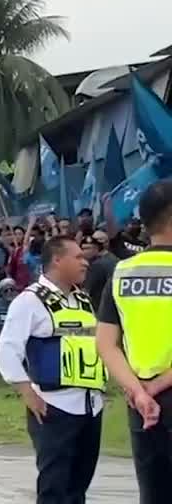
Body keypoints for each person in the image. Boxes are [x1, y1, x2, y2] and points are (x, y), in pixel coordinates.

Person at [0, 236, 106, 504]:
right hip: (54, 405)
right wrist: (26, 391)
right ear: (57, 260)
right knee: (54, 487)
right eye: (78, 257)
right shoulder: (29, 301)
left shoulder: (83, 300)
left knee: (78, 487)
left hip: (90, 405)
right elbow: (7, 350)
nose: (85, 262)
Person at [96, 180, 172, 503]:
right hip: (157, 393)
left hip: (142, 406)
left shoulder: (122, 273)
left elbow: (106, 343)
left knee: (153, 494)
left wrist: (140, 391)